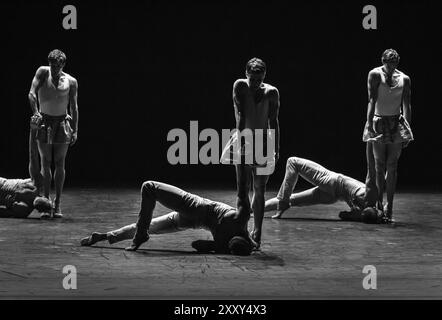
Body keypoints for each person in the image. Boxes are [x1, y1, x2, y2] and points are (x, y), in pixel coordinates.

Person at [81, 181, 256, 256]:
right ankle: (105, 236)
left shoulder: (240, 219)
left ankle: (137, 234)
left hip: (196, 207)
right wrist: (216, 247)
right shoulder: (223, 247)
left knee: (149, 187)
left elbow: (243, 188)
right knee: (151, 226)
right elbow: (196, 245)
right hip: (192, 223)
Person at [228, 58, 280, 248]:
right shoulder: (240, 86)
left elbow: (273, 122)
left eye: (259, 80)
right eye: (252, 79)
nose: (255, 83)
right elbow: (241, 116)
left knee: (260, 189)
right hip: (244, 137)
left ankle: (257, 233)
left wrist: (276, 148)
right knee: (242, 189)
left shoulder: (272, 92)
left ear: (264, 76)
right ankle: (241, 230)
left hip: (263, 142)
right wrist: (242, 144)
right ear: (246, 74)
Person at [362, 49, 413, 222]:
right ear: (383, 62)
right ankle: (378, 204)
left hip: (395, 123)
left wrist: (407, 130)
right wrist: (369, 124)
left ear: (397, 63)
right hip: (378, 122)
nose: (391, 67)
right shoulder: (375, 75)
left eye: (394, 64)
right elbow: (371, 100)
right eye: (388, 64)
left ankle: (389, 207)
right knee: (379, 165)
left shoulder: (404, 79)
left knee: (392, 166)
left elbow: (407, 105)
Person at [28, 49, 79, 219]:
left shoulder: (71, 81)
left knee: (59, 162)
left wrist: (75, 129)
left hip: (62, 122)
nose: (54, 69)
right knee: (45, 162)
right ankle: (46, 201)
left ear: (63, 64)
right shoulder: (43, 72)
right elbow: (31, 93)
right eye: (52, 65)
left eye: (58, 66)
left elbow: (74, 106)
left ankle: (57, 204)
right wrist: (36, 112)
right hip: (45, 121)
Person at [264, 157, 384, 224]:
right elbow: (341, 215)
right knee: (293, 200)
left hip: (331, 181)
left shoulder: (370, 198)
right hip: (331, 197)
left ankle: (283, 201)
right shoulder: (362, 214)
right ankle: (254, 210)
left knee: (292, 162)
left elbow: (371, 172)